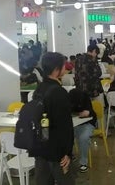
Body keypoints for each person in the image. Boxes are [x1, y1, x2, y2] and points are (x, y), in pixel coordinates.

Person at [29, 52, 75, 185]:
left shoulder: (39, 89)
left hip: (40, 145)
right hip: (56, 150)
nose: (65, 69)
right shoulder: (59, 92)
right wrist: (67, 152)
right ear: (56, 70)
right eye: (63, 66)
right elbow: (64, 126)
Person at [68, 89, 96, 173]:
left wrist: (83, 113)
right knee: (65, 135)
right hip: (74, 124)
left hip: (88, 124)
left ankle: (83, 162)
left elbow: (88, 113)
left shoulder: (84, 98)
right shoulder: (68, 100)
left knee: (83, 138)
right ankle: (69, 155)